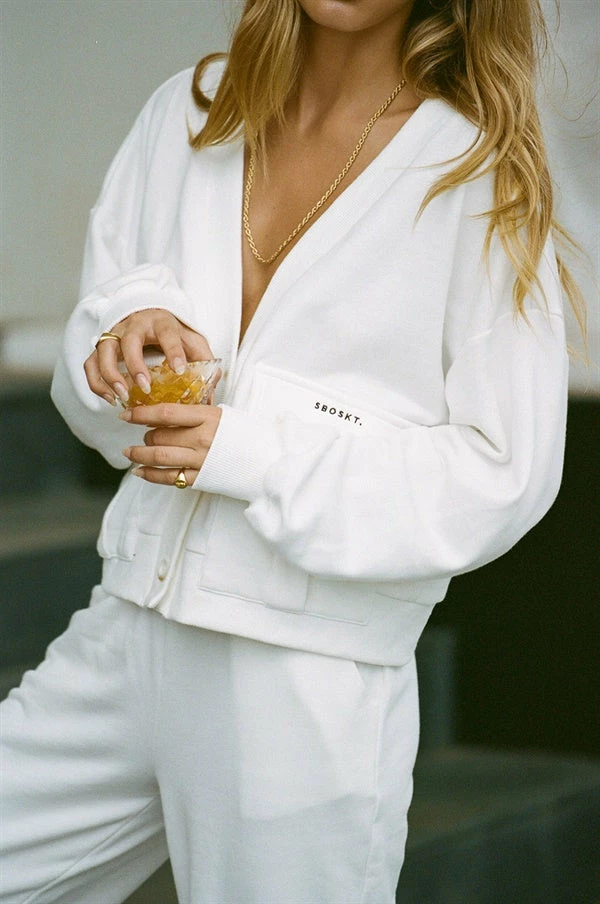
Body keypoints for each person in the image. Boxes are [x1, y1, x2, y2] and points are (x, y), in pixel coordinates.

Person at [0, 0, 585, 902]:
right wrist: (123, 347)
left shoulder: (475, 171)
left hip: (301, 683)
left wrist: (254, 451)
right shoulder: (189, 112)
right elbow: (96, 371)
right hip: (128, 628)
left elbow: (502, 473)